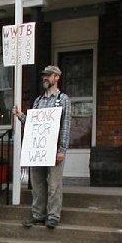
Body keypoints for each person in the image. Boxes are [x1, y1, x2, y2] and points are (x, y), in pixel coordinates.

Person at [13, 65, 72, 229]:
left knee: (54, 185)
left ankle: (53, 216)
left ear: (57, 77)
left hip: (53, 150)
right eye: (44, 75)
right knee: (38, 184)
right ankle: (38, 214)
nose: (45, 78)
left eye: (48, 75)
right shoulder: (39, 101)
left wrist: (62, 149)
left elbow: (65, 126)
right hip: (38, 149)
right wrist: (20, 116)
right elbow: (33, 124)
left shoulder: (63, 99)